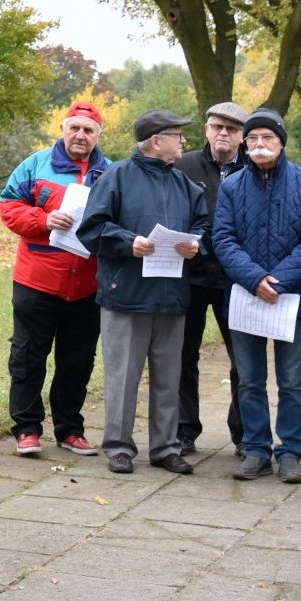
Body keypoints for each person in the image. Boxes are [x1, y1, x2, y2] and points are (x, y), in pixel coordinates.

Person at [78, 109, 208, 476]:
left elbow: (203, 228)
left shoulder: (185, 185)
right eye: (177, 135)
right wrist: (126, 242)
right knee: (123, 376)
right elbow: (92, 229)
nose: (183, 141)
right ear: (156, 141)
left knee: (169, 377)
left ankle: (165, 447)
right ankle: (119, 447)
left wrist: (197, 247)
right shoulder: (117, 176)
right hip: (127, 294)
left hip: (172, 296)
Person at [212, 109, 301, 484]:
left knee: (292, 379)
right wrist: (254, 278)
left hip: (292, 299)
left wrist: (278, 281)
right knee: (248, 378)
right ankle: (256, 449)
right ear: (245, 145)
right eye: (253, 139)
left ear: (281, 142)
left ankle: (291, 451)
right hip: (247, 296)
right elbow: (223, 239)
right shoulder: (232, 186)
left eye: (267, 138)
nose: (259, 145)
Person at [0, 101, 112, 458]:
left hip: (88, 285)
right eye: (74, 128)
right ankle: (27, 429)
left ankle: (70, 430)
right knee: (29, 356)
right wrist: (44, 220)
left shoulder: (110, 173)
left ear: (98, 135)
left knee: (77, 361)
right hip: (38, 280)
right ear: (63, 130)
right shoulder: (35, 165)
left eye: (88, 130)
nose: (80, 135)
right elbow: (8, 206)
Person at [174, 102, 249, 454]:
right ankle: (183, 429)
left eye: (232, 129)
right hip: (190, 275)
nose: (224, 134)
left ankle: (244, 433)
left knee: (243, 359)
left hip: (236, 279)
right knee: (183, 355)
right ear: (206, 129)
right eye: (218, 126)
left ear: (243, 136)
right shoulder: (185, 165)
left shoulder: (256, 166)